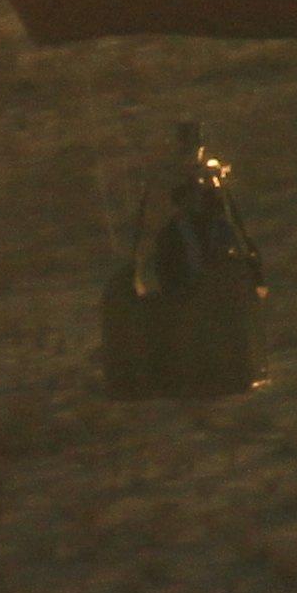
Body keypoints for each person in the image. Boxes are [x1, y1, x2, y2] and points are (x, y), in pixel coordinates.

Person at [99, 121, 266, 399]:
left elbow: (239, 246)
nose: (196, 203)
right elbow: (169, 267)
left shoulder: (213, 224)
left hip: (211, 290)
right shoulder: (176, 232)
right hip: (187, 290)